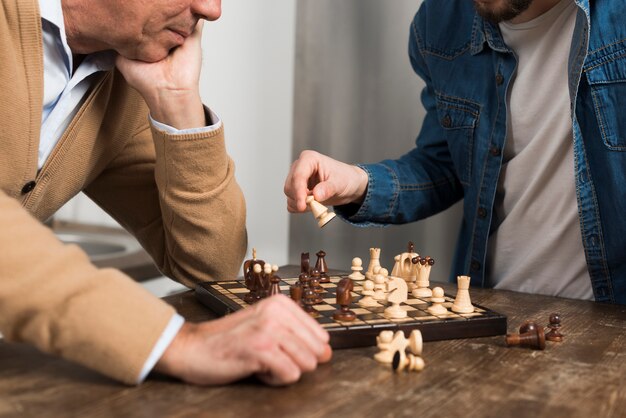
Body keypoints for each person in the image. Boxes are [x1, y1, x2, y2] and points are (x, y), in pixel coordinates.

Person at [0, 0, 331, 385]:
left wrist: (176, 100)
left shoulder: (115, 91)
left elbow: (210, 265)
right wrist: (172, 342)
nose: (211, 10)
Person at [284, 0, 626, 305]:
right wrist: (356, 181)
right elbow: (447, 163)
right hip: (489, 310)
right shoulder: (440, 20)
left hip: (607, 322)